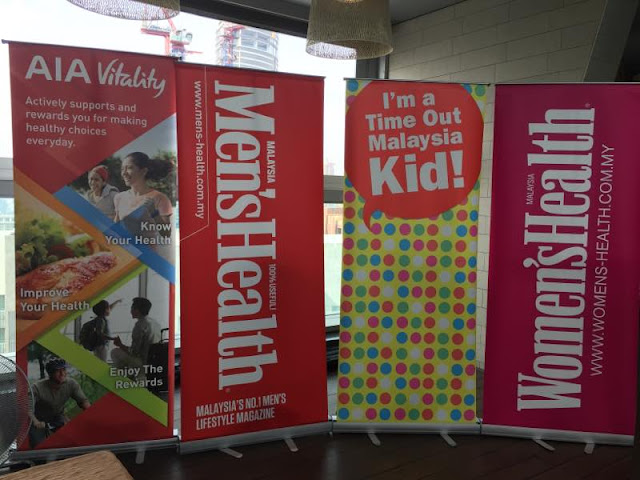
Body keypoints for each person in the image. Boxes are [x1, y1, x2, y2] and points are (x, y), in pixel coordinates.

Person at [113, 152, 174, 260]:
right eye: (123, 169)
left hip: (147, 259)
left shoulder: (160, 198)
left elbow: (166, 234)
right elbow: (116, 228)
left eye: (129, 168)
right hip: (124, 257)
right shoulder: (119, 198)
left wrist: (154, 212)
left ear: (144, 171)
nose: (124, 173)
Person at [28, 358, 90, 448]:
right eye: (58, 371)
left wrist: (90, 415)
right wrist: (35, 422)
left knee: (72, 439)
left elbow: (83, 401)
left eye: (64, 370)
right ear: (50, 373)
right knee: (39, 446)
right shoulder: (37, 388)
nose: (62, 374)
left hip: (58, 417)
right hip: (38, 420)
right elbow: (28, 409)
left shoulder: (71, 384)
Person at [111, 297, 162, 376]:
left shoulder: (140, 325)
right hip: (155, 361)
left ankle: (127, 377)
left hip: (143, 362)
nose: (130, 311)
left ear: (137, 310)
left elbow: (134, 352)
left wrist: (120, 344)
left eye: (132, 308)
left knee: (115, 352)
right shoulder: (155, 323)